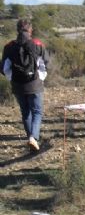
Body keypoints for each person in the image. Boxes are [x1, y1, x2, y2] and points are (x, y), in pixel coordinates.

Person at [1, 18, 50, 152]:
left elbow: (4, 69)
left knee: (26, 113)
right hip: (35, 84)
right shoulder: (38, 44)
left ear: (17, 30)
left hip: (17, 86)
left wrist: (13, 79)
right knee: (37, 112)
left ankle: (30, 138)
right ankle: (33, 138)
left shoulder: (9, 46)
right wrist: (40, 78)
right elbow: (45, 64)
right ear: (30, 30)